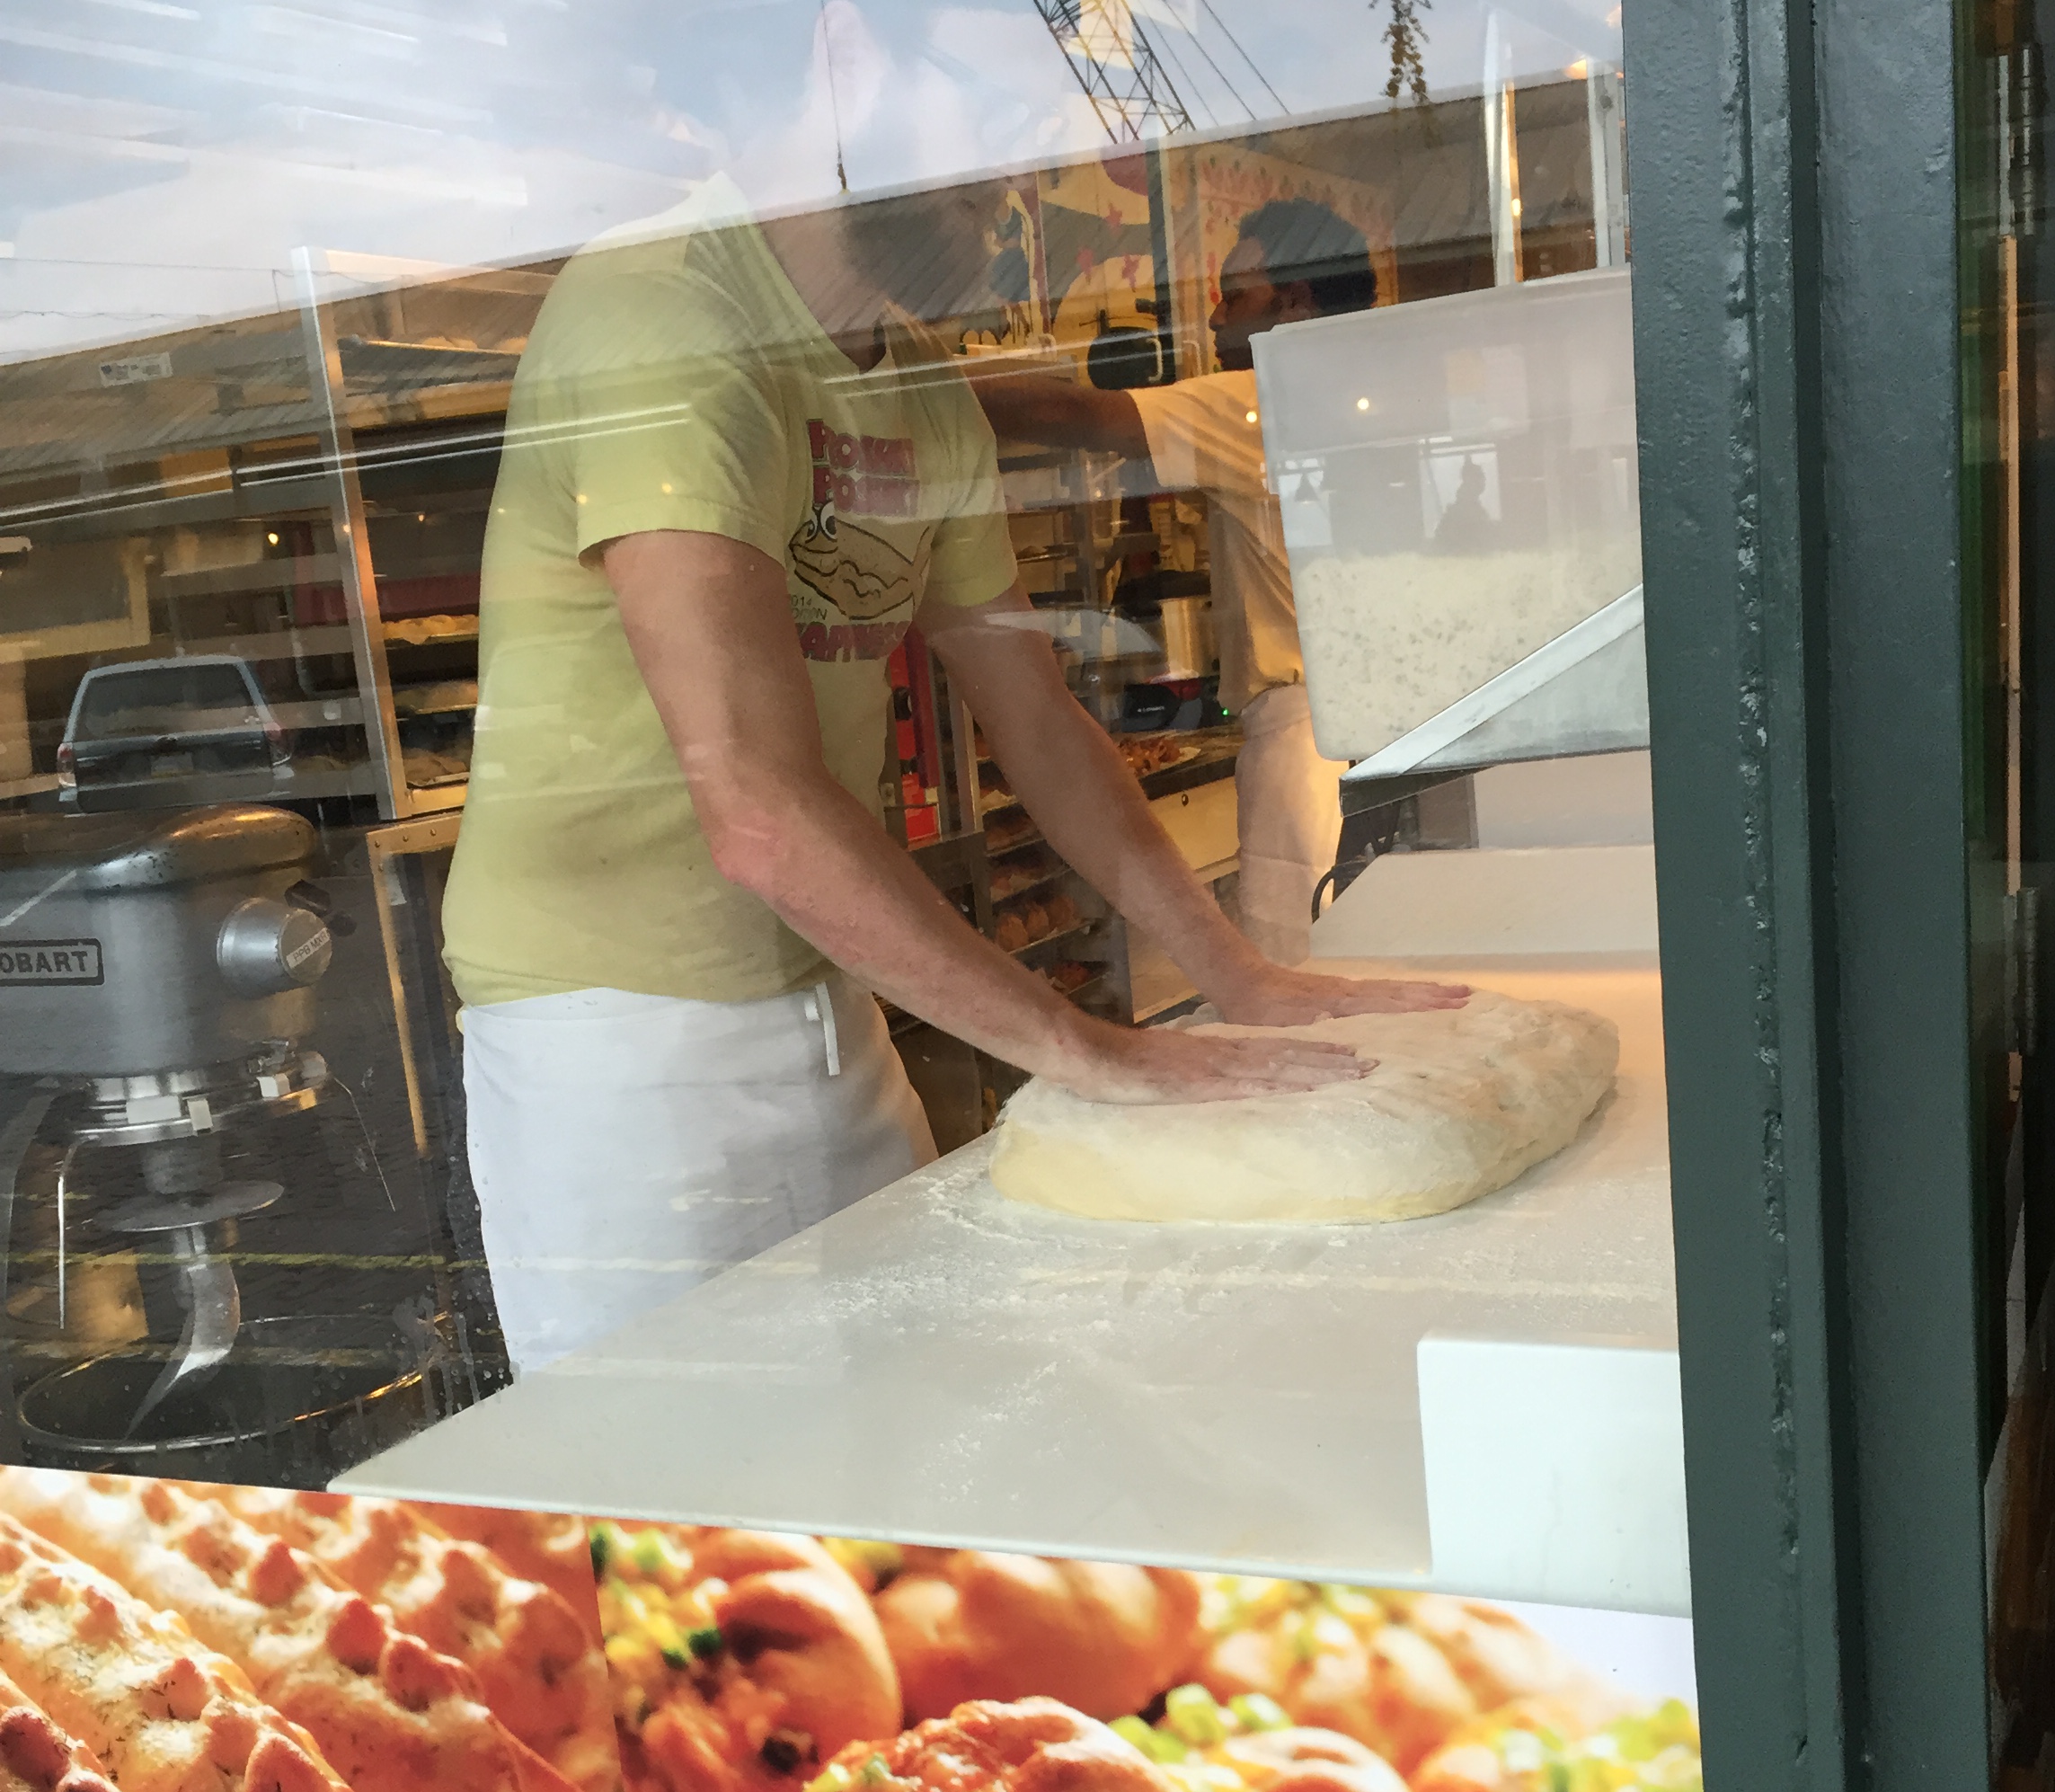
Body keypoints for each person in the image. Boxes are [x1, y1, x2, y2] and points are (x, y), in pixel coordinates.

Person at [440, 177, 1466, 1374]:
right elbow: (757, 809)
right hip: (614, 1036)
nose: (1012, 187)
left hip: (829, 994)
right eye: (975, 124)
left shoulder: (920, 388)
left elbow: (1035, 716)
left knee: (904, 1418)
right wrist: (1088, 1050)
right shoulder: (662, 314)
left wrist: (1236, 975)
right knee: (673, 1466)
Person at [968, 195, 1370, 966]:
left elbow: (1078, 417)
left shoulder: (1267, 402)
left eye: (1235, 297)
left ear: (1295, 302)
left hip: (1306, 746)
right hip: (1380, 734)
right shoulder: (1371, 396)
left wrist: (913, 392)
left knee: (1301, 978)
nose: (1214, 318)